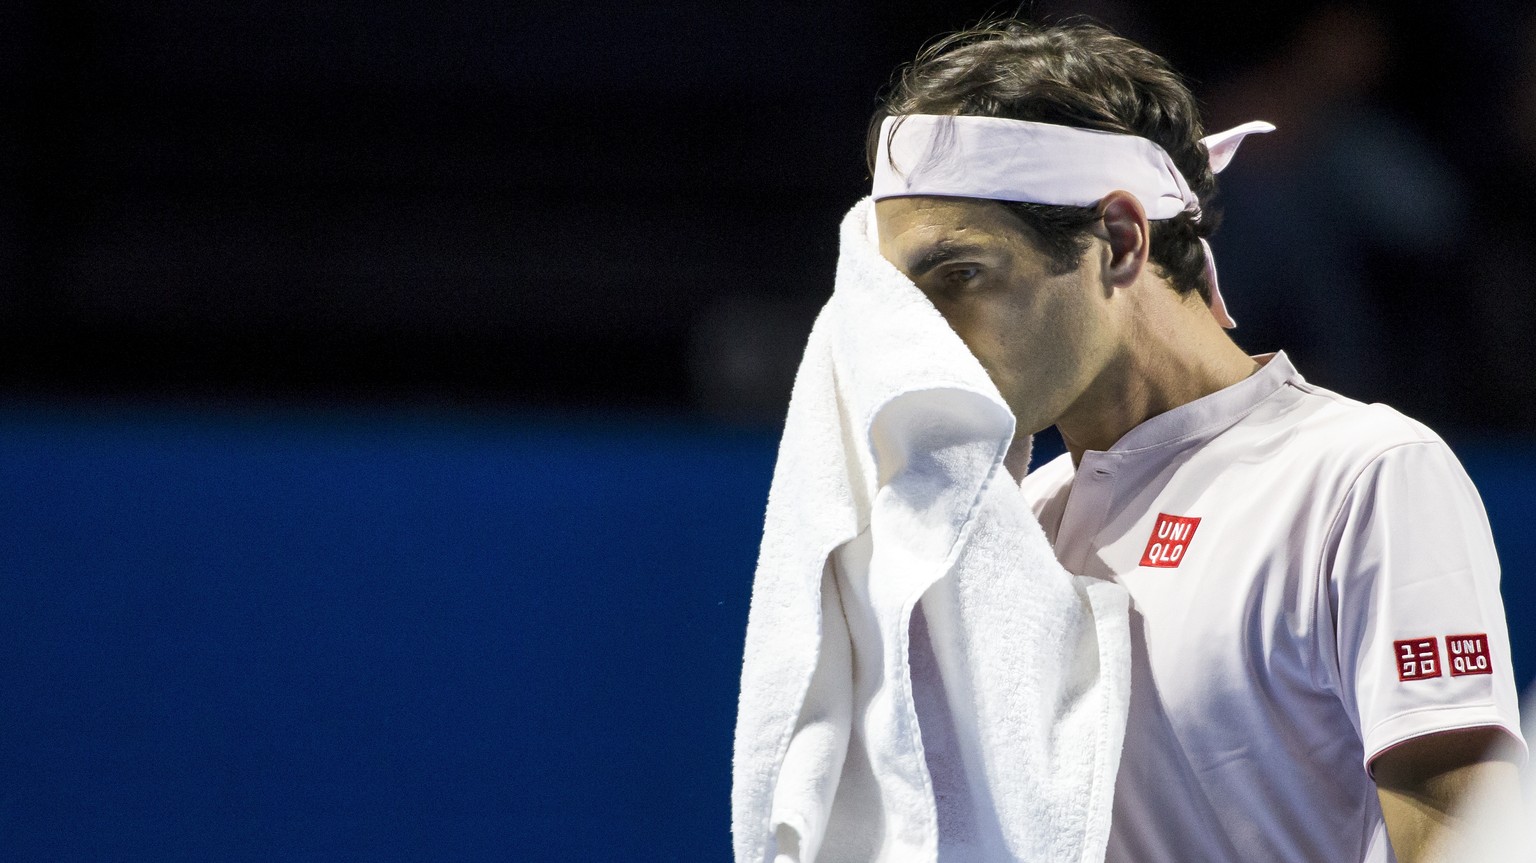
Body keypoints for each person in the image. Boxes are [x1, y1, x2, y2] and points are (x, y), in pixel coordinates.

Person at [866, 19, 1524, 863]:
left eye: (958, 275)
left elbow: (1469, 845)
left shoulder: (1364, 478)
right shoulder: (1011, 527)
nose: (922, 333)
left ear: (1120, 240)